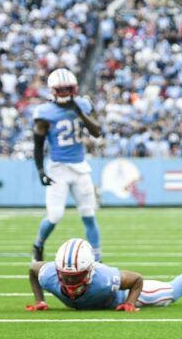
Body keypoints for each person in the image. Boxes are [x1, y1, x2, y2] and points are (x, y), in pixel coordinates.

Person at [26, 238, 182, 311]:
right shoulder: (48, 274)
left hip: (119, 297)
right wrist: (40, 301)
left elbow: (137, 279)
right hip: (101, 299)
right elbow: (33, 270)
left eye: (75, 276)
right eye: (65, 275)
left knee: (171, 292)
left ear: (90, 270)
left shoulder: (106, 280)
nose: (69, 280)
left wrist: (129, 303)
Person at [31, 68, 103, 262]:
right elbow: (38, 146)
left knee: (89, 215)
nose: (64, 93)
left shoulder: (83, 105)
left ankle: (98, 260)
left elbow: (97, 132)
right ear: (52, 91)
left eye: (68, 89)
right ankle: (38, 245)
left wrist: (78, 111)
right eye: (60, 89)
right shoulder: (44, 113)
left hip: (80, 168)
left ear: (75, 88)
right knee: (54, 216)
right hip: (58, 169)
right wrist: (40, 171)